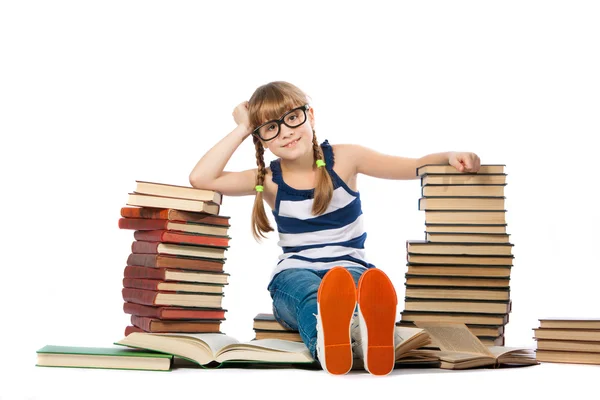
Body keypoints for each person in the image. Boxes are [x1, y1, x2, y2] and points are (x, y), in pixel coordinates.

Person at [189, 81, 481, 376]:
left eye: (292, 118)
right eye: (270, 128)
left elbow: (413, 165)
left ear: (310, 116)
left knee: (358, 291)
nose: (286, 132)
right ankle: (329, 346)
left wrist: (448, 157)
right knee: (311, 296)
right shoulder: (268, 178)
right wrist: (242, 127)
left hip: (350, 267)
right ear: (261, 139)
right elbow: (201, 178)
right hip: (294, 273)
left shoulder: (346, 159)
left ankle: (365, 334)